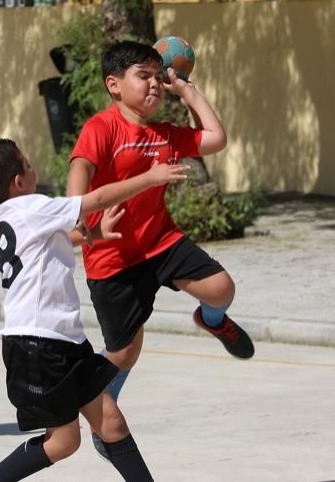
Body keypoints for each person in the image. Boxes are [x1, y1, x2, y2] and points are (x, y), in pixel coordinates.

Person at [66, 40, 255, 455]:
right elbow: (81, 168)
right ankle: (102, 410)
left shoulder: (165, 133)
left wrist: (187, 91)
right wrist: (76, 215)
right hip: (112, 257)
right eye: (143, 76)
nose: (153, 84)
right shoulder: (102, 128)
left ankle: (211, 320)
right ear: (114, 85)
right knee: (125, 351)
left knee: (221, 288)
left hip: (159, 243)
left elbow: (216, 138)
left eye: (158, 76)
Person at [0, 138, 188, 482]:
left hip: (63, 339)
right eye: (28, 164)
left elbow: (49, 244)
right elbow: (93, 200)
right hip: (37, 345)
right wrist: (150, 178)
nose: (32, 167)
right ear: (17, 182)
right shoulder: (30, 206)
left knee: (110, 422)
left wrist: (94, 234)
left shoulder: (1, 217)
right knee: (65, 442)